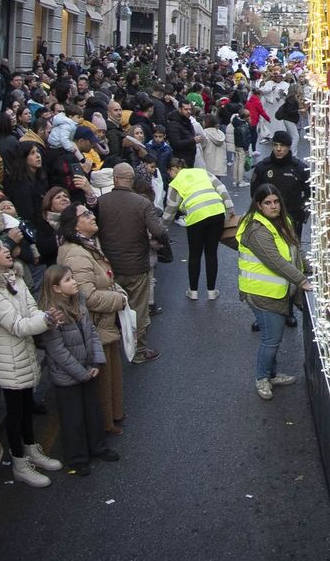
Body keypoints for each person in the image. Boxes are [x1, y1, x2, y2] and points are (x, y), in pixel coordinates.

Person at [0, 235, 62, 488]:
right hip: (8, 356)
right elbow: (15, 325)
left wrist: (44, 316)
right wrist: (45, 321)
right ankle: (20, 463)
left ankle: (31, 449)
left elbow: (31, 308)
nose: (6, 251)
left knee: (26, 404)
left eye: (5, 246)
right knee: (14, 411)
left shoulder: (17, 277)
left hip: (23, 352)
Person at [55, 204, 128, 438]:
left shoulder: (85, 246)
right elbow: (87, 296)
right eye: (85, 214)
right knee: (102, 379)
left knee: (110, 375)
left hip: (103, 323)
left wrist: (117, 290)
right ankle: (104, 423)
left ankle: (110, 417)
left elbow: (102, 279)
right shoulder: (76, 254)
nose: (92, 216)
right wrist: (119, 299)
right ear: (74, 225)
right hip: (97, 324)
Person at [36, 265, 116, 476]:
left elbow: (91, 332)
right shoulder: (52, 315)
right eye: (69, 280)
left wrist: (96, 362)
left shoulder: (79, 301)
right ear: (56, 288)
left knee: (92, 411)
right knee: (73, 418)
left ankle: (98, 447)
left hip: (88, 367)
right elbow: (58, 351)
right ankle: (77, 458)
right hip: (68, 376)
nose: (75, 282)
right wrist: (81, 373)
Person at [237, 185, 307, 401]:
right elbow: (275, 261)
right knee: (271, 338)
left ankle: (272, 374)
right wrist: (302, 280)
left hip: (276, 291)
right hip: (261, 293)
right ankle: (262, 379)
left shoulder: (282, 221)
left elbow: (294, 249)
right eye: (268, 203)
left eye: (276, 202)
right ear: (259, 205)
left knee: (273, 337)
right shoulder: (257, 229)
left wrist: (308, 266)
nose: (273, 206)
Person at [95, 163, 166, 365]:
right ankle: (139, 349)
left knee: (112, 307)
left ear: (115, 179)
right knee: (138, 309)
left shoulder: (101, 202)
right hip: (136, 265)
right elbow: (159, 231)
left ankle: (113, 345)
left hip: (109, 266)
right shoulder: (142, 203)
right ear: (132, 179)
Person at [164, 156, 234, 301]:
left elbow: (170, 209)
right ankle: (212, 291)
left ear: (173, 170)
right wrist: (229, 207)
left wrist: (162, 229)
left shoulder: (175, 183)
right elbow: (221, 187)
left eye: (169, 173)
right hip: (216, 211)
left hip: (196, 216)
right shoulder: (202, 172)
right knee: (211, 252)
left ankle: (193, 291)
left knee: (195, 253)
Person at [252, 131, 311, 236]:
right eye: (275, 145)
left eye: (282, 145)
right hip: (268, 219)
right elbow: (254, 194)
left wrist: (302, 210)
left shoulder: (299, 168)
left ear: (289, 147)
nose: (278, 149)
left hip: (293, 217)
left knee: (292, 249)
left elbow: (311, 192)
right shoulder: (262, 167)